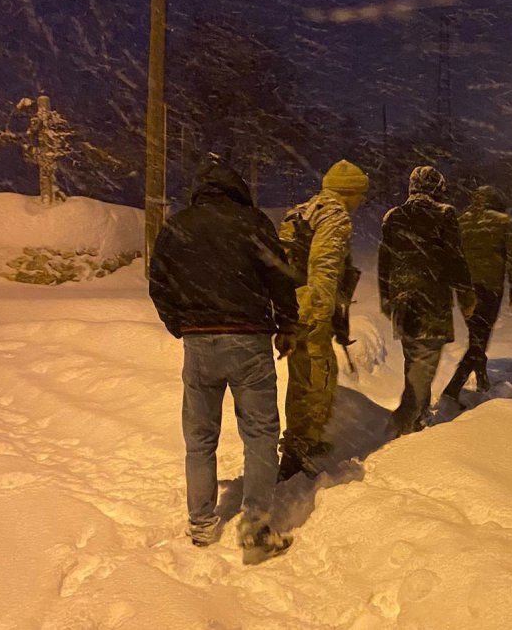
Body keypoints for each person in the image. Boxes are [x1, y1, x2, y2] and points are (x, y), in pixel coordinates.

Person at [148, 156, 299, 564]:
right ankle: (255, 527)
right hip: (249, 341)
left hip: (199, 345)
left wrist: (180, 324)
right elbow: (281, 278)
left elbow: (158, 281)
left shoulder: (178, 227)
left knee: (200, 438)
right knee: (261, 434)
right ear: (237, 190)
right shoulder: (253, 223)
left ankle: (201, 524)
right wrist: (287, 325)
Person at [277, 159, 369, 481]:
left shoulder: (303, 210)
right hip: (310, 310)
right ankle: (298, 453)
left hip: (293, 305)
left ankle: (300, 441)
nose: (360, 203)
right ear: (350, 192)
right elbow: (325, 266)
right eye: (360, 195)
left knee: (302, 378)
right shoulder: (334, 214)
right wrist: (319, 313)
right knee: (317, 380)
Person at [378, 165, 474, 435]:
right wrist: (465, 295)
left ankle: (417, 415)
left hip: (403, 302)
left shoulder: (393, 217)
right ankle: (405, 420)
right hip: (431, 301)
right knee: (425, 363)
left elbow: (383, 260)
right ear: (436, 188)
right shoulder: (443, 215)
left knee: (414, 360)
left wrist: (387, 298)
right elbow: (455, 258)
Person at [441, 185, 512, 401]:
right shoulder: (502, 221)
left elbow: (451, 254)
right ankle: (453, 389)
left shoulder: (461, 222)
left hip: (465, 290)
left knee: (475, 334)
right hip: (490, 288)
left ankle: (482, 377)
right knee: (480, 338)